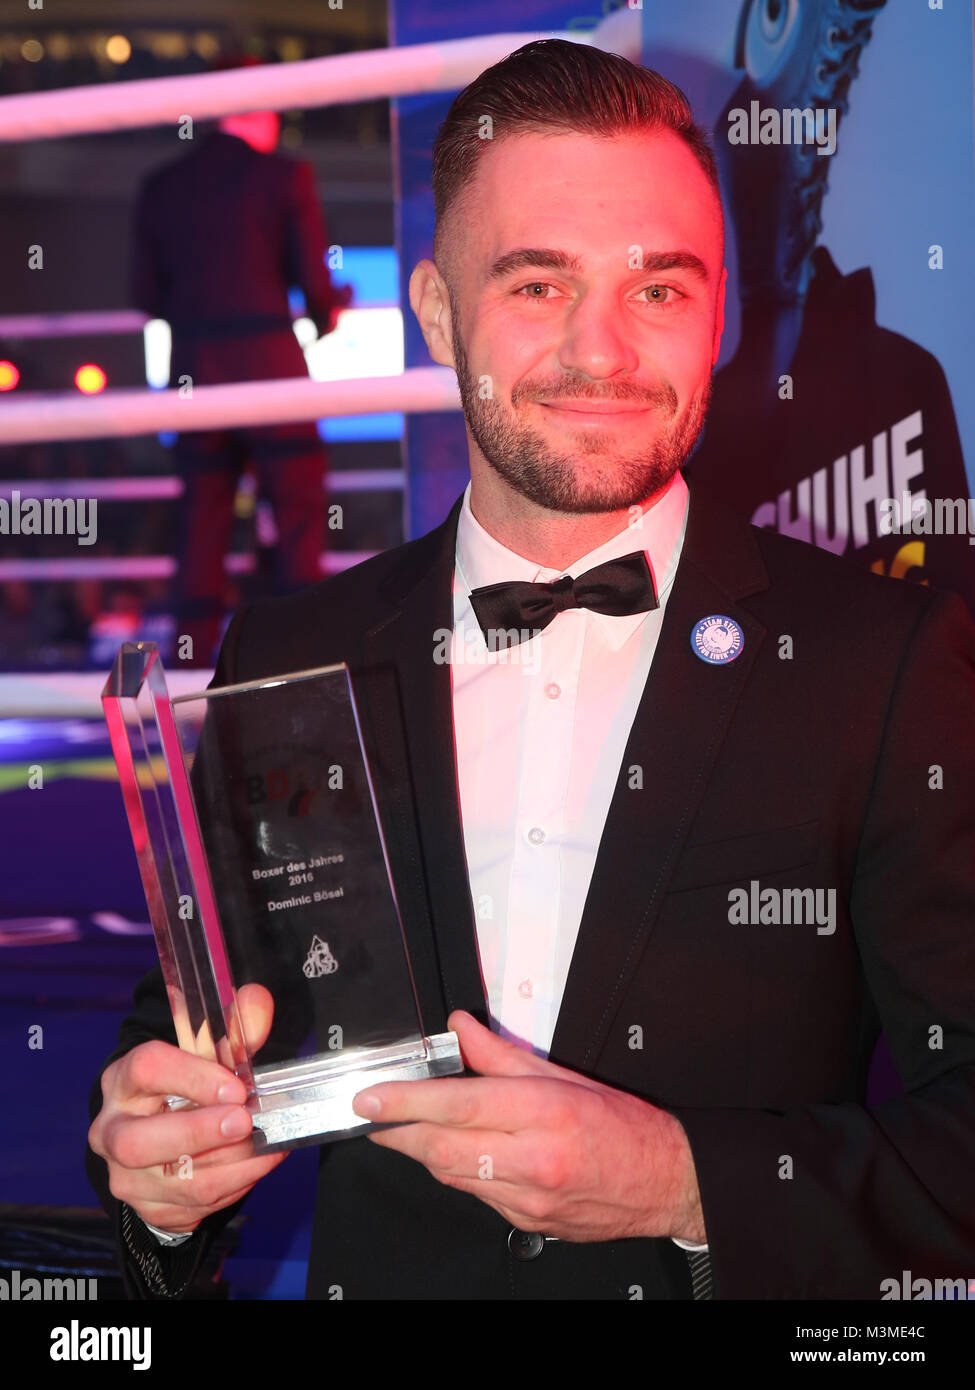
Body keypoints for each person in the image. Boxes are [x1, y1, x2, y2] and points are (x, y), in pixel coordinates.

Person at [88, 39, 975, 1300]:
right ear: (439, 309)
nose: (602, 353)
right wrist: (160, 1179)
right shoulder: (291, 654)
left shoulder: (884, 665)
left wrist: (683, 1182)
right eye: (540, 284)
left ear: (719, 313)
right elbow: (184, 1043)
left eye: (658, 289)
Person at [129, 65, 352, 666]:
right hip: (269, 364)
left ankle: (192, 668)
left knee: (201, 522)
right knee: (299, 513)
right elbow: (314, 283)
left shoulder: (164, 184)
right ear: (264, 110)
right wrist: (333, 307)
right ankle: (305, 661)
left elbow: (146, 294)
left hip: (193, 369)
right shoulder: (284, 177)